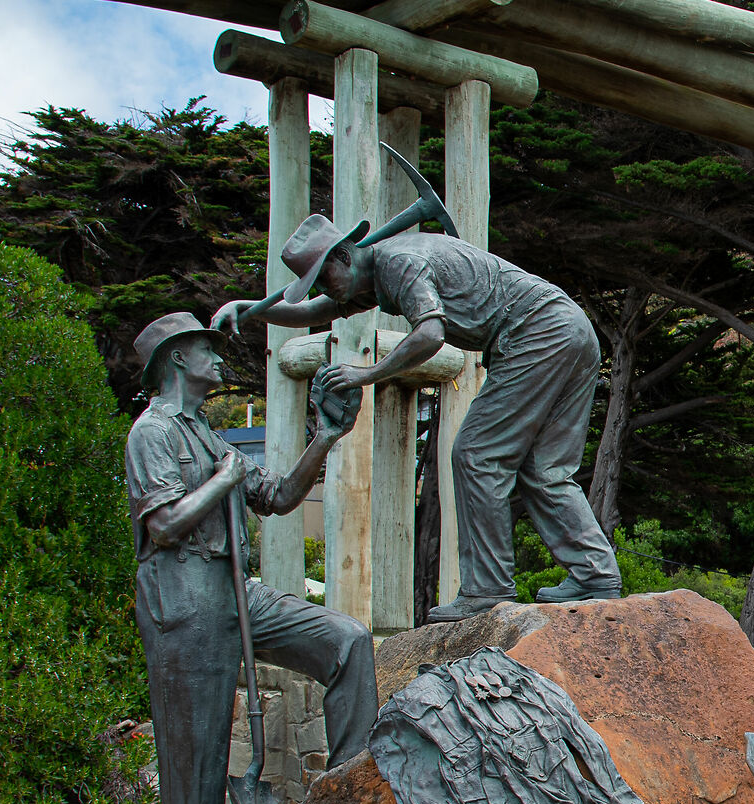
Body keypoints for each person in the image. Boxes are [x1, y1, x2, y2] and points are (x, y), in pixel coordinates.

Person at [214, 214, 621, 622]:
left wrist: (367, 374)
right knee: (544, 469)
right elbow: (312, 311)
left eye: (324, 278)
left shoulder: (398, 263)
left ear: (343, 255)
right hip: (570, 330)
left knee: (476, 455)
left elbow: (430, 335)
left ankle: (487, 589)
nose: (324, 291)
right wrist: (247, 310)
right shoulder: (372, 272)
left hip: (538, 332)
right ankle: (595, 575)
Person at [126, 312, 375, 804]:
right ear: (176, 359)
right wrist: (222, 482)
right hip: (183, 596)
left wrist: (325, 436)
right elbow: (161, 526)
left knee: (346, 641)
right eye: (204, 350)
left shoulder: (208, 437)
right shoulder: (151, 432)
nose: (217, 358)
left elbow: (282, 496)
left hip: (236, 587)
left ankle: (346, 799)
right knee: (196, 745)